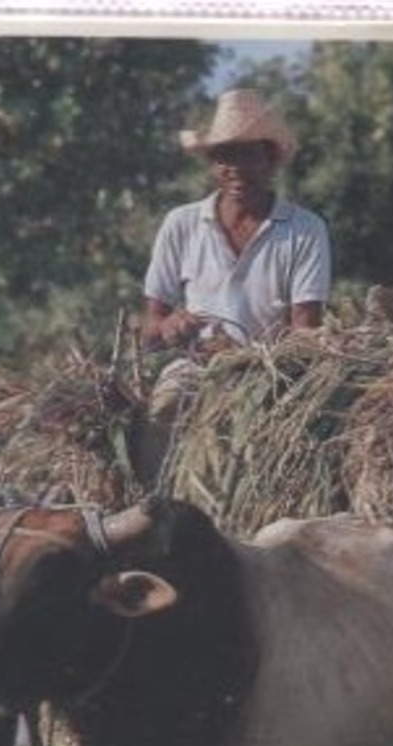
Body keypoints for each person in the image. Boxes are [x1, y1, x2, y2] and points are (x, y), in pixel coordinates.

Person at [137, 88, 332, 484]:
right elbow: (149, 332)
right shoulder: (182, 224)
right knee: (165, 404)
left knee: (284, 453)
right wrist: (171, 327)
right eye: (224, 156)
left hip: (271, 376)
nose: (236, 168)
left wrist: (248, 357)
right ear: (211, 163)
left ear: (270, 159)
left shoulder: (304, 229)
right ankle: (153, 499)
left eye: (248, 155)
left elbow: (307, 335)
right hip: (193, 370)